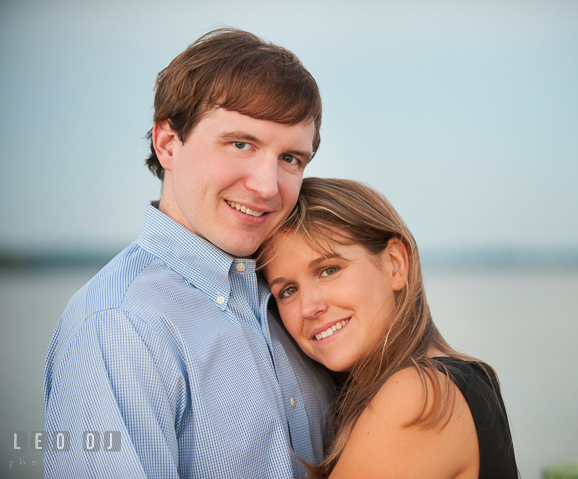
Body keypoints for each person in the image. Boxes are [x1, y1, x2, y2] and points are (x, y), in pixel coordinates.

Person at [43, 29, 335, 478]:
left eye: (291, 159)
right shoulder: (121, 327)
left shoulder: (297, 300)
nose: (267, 185)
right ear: (167, 144)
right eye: (241, 144)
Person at [258, 177, 519, 479]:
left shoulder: (420, 395)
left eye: (329, 270)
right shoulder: (458, 380)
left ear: (395, 264)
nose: (308, 307)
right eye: (288, 291)